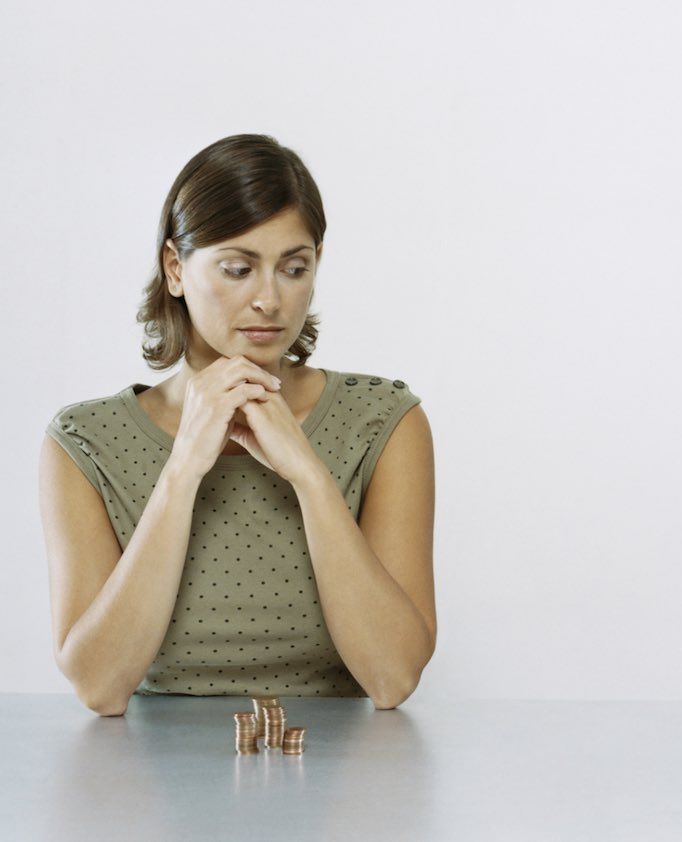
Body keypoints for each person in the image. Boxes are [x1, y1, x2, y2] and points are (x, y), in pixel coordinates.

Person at [39, 134, 437, 715]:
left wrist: (306, 472)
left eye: (294, 268)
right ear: (175, 268)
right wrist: (182, 470)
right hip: (146, 785)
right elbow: (100, 687)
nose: (269, 300)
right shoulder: (85, 443)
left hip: (341, 783)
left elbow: (393, 678)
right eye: (237, 268)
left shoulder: (384, 422)